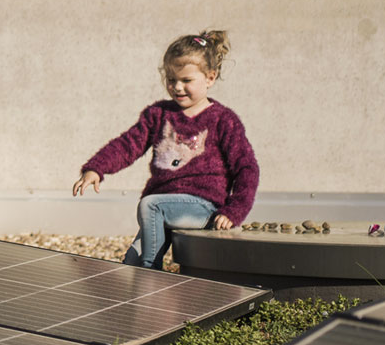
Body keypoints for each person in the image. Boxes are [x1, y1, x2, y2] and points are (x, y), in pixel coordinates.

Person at [72, 29, 260, 269]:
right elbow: (127, 144)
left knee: (150, 207)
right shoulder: (159, 114)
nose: (178, 87)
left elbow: (247, 168)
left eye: (186, 80)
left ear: (210, 78)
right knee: (132, 262)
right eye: (172, 80)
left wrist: (234, 210)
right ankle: (145, 300)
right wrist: (96, 169)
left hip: (202, 206)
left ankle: (154, 274)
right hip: (162, 209)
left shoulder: (223, 120)